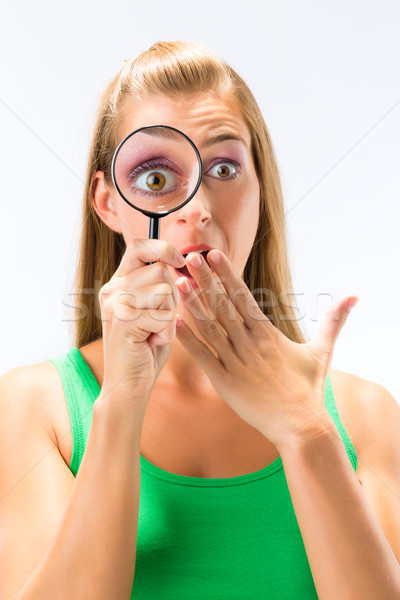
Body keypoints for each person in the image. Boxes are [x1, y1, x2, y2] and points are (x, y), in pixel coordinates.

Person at [0, 41, 399, 600]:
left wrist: (306, 431)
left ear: (262, 191)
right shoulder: (33, 407)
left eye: (225, 167)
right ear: (108, 202)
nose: (198, 208)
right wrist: (119, 405)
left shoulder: (364, 416)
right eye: (157, 178)